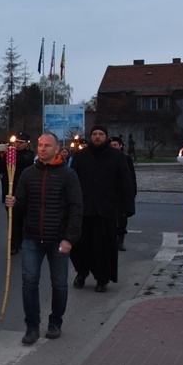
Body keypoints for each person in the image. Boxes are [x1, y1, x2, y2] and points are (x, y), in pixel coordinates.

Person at [5, 132, 83, 345]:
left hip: (58, 239)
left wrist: (69, 239)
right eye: (40, 145)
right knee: (29, 282)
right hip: (31, 238)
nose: (42, 149)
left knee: (59, 284)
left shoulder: (68, 175)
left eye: (48, 146)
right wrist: (12, 203)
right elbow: (21, 204)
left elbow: (76, 208)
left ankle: (55, 322)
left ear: (57, 149)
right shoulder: (29, 174)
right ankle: (31, 326)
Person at [70, 124, 135, 293]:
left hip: (107, 208)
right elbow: (71, 182)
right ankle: (82, 272)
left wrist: (128, 207)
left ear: (106, 137)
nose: (97, 137)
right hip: (84, 208)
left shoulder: (117, 157)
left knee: (104, 246)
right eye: (94, 134)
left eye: (100, 134)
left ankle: (102, 278)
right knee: (80, 245)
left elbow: (126, 182)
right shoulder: (80, 156)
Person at [0, 132, 35, 254]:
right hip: (10, 189)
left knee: (23, 219)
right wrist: (3, 155)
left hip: (23, 191)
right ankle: (13, 244)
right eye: (16, 142)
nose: (18, 144)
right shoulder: (9, 153)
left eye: (21, 142)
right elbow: (0, 167)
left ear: (26, 143)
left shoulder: (29, 154)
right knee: (12, 219)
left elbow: (23, 162)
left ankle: (22, 241)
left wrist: (11, 153)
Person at [109, 136, 137, 251]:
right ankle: (111, 241)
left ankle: (120, 241)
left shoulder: (126, 158)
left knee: (122, 218)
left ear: (120, 146)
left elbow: (131, 177)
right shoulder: (106, 158)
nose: (113, 147)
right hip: (110, 193)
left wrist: (132, 192)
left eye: (115, 145)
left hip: (122, 193)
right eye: (111, 145)